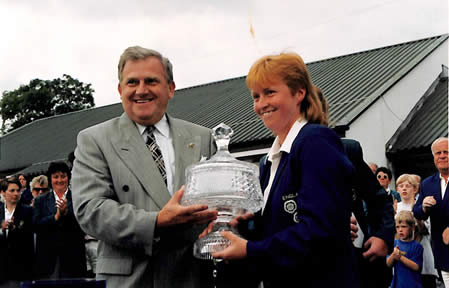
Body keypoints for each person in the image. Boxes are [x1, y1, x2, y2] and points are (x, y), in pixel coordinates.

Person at [71, 46, 218, 288]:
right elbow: (91, 210)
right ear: (120, 90)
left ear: (170, 88)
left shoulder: (203, 137)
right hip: (130, 280)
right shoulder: (94, 140)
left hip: (190, 275)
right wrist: (155, 221)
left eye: (151, 81)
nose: (141, 90)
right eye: (132, 82)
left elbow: (219, 202)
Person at [209, 52, 357, 287]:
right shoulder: (270, 161)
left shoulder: (315, 142)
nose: (261, 104)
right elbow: (279, 227)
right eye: (256, 96)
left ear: (299, 93)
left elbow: (319, 231)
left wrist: (249, 249)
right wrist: (240, 225)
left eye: (270, 92)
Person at [316, 86, 394, 288]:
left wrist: (381, 236)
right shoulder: (275, 163)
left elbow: (378, 198)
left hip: (359, 258)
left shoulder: (347, 150)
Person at [33, 161, 87, 279]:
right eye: (55, 177)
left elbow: (84, 223)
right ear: (50, 179)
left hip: (73, 257)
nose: (60, 180)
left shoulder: (78, 198)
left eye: (63, 176)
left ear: (68, 178)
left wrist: (67, 214)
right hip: (48, 260)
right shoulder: (40, 201)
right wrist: (55, 217)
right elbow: (36, 226)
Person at [413, 137, 449, 287]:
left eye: (446, 152)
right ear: (433, 157)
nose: (442, 156)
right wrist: (423, 207)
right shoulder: (428, 183)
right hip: (443, 251)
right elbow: (417, 211)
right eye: (438, 153)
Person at [396, 174, 438, 288]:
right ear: (397, 189)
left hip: (422, 255)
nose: (404, 188)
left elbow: (426, 230)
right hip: (402, 257)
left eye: (408, 186)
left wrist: (418, 217)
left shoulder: (422, 206)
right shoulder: (395, 207)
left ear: (415, 189)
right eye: (401, 185)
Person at [0, 177, 34, 288]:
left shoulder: (27, 210)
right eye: (12, 190)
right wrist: (1, 230)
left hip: (21, 268)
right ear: (3, 193)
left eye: (18, 190)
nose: (16, 193)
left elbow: (30, 237)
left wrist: (15, 229)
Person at [387, 210, 424, 288]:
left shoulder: (417, 246)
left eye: (404, 226)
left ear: (412, 227)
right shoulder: (394, 243)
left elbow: (416, 267)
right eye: (397, 227)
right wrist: (393, 255)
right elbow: (388, 264)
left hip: (413, 284)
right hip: (397, 284)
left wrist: (400, 257)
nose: (400, 230)